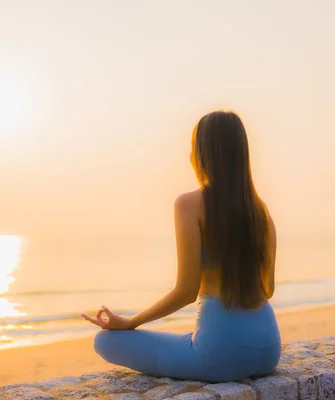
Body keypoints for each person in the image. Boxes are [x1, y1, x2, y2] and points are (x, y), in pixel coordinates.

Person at [81, 111, 280, 382]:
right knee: (191, 340)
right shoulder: (261, 211)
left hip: (220, 355)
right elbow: (267, 288)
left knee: (105, 342)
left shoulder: (189, 204)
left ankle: (205, 341)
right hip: (269, 349)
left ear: (202, 154)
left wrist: (130, 322)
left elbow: (186, 292)